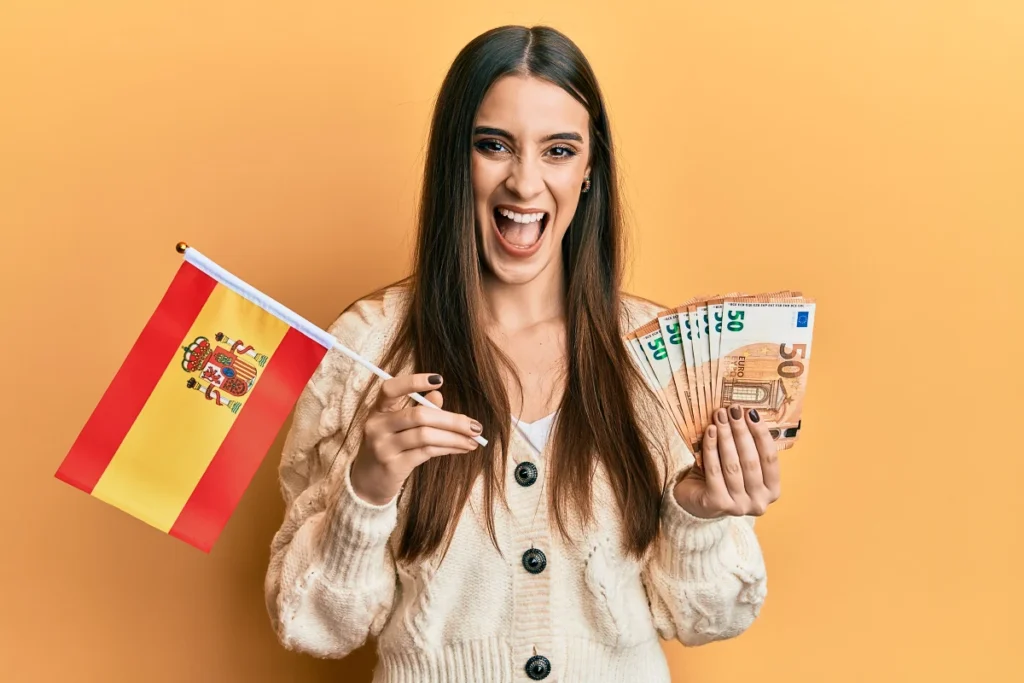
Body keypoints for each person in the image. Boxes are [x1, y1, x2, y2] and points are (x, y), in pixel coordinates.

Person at [264, 24, 780, 683]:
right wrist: (367, 489)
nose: (525, 182)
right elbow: (312, 622)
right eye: (493, 146)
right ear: (456, 158)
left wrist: (700, 512)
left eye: (558, 150)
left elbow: (708, 616)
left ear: (590, 169)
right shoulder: (368, 345)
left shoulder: (657, 355)